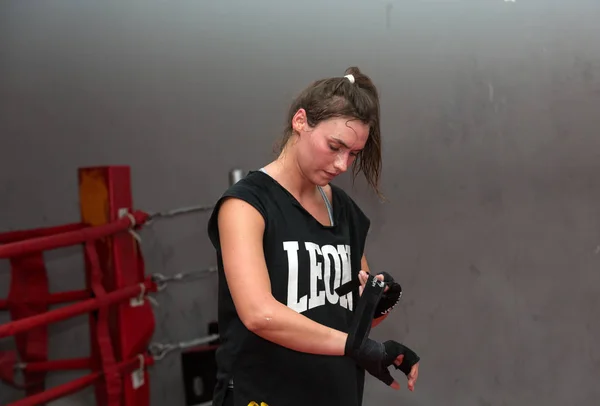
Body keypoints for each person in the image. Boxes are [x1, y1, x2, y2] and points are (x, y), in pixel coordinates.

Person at [207, 67, 420, 406]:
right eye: (335, 146)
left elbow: (350, 323)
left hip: (334, 393)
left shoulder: (344, 211)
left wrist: (379, 301)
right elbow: (258, 313)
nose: (342, 164)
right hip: (263, 395)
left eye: (353, 153)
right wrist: (357, 346)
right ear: (301, 121)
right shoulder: (246, 205)